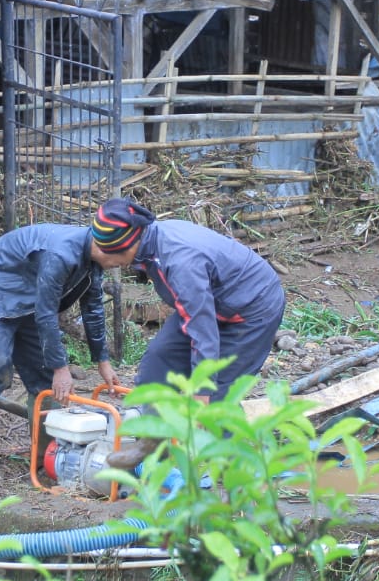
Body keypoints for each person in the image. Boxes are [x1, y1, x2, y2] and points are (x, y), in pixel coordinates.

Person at [88, 198, 286, 469]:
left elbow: (202, 328)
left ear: (126, 245)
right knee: (158, 358)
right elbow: (197, 312)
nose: (103, 258)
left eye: (106, 252)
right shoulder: (150, 243)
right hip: (212, 302)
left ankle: (233, 470)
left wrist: (201, 391)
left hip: (252, 308)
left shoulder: (179, 260)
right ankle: (152, 441)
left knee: (218, 393)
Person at [0, 224, 121, 475]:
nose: (123, 263)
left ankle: (45, 455)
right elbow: (47, 314)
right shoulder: (60, 254)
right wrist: (61, 368)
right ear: (103, 247)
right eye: (121, 257)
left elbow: (93, 308)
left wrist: (103, 361)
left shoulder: (93, 262)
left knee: (44, 376)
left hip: (30, 297)